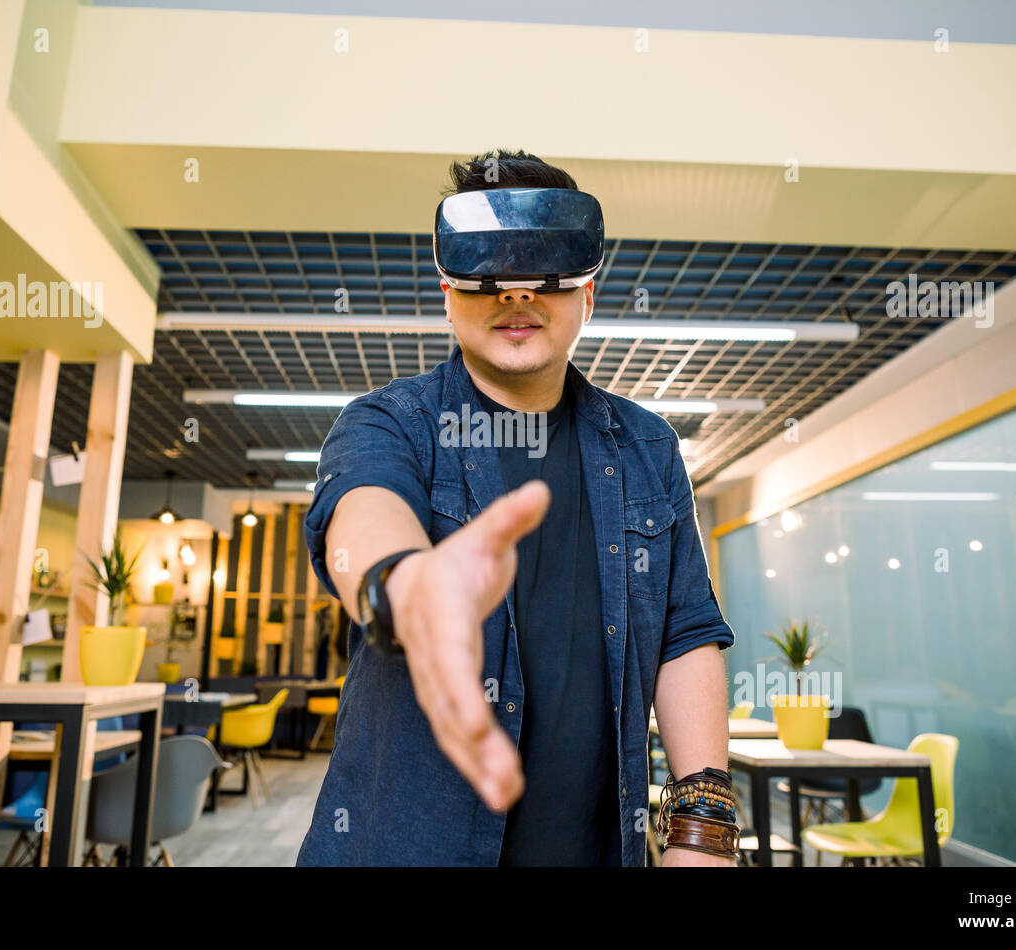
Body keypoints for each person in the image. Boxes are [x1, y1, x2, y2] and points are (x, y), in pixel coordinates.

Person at [296, 148, 738, 866]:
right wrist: (405, 588)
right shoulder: (389, 423)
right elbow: (364, 513)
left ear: (587, 294)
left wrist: (704, 831)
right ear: (448, 290)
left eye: (547, 272)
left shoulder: (647, 445)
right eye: (490, 273)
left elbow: (684, 634)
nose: (517, 293)